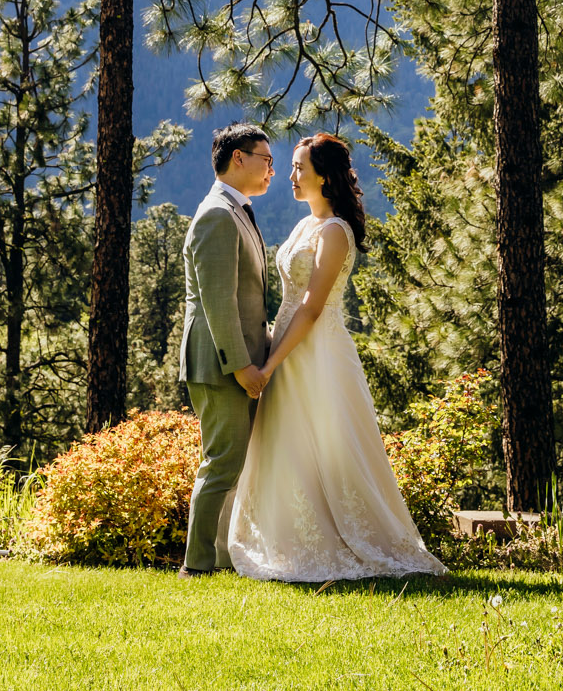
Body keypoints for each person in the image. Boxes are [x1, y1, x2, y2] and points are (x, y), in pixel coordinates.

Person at [227, 133, 446, 582]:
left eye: (298, 168)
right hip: (287, 347)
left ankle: (355, 542)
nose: (289, 175)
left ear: (323, 177)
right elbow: (288, 302)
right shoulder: (305, 226)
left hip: (318, 354)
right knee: (288, 445)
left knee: (330, 445)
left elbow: (311, 306)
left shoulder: (335, 232)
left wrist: (269, 365)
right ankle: (290, 538)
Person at [175, 122, 274, 577]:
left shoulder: (236, 210)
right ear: (239, 158)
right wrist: (241, 367)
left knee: (230, 464)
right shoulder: (216, 213)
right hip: (220, 365)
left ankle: (220, 560)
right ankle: (197, 567)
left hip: (235, 361)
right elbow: (218, 302)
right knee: (221, 464)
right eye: (265, 160)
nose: (271, 170)